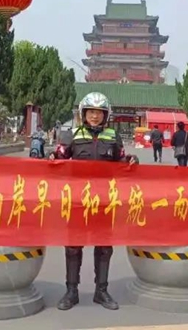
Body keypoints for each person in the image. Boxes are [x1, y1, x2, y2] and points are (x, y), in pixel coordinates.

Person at [50, 92, 138, 311]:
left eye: (99, 112)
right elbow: (58, 158)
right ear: (84, 114)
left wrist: (130, 160)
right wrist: (51, 157)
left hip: (105, 200)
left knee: (104, 247)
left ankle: (102, 291)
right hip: (78, 200)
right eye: (91, 112)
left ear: (105, 115)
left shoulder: (113, 137)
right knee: (72, 246)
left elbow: (121, 160)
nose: (95, 117)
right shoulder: (73, 135)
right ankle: (71, 291)